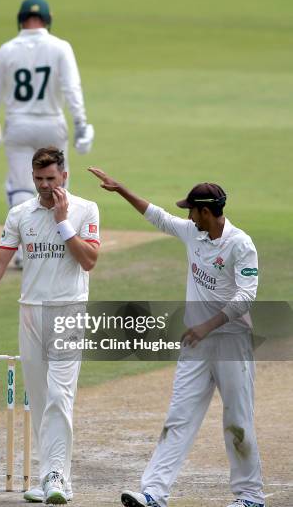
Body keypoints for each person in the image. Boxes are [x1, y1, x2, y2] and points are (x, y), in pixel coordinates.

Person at [88, 168, 265, 507]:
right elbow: (159, 217)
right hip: (196, 345)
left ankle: (251, 497)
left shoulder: (240, 244)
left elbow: (247, 296)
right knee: (178, 418)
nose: (188, 216)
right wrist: (122, 189)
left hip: (231, 343)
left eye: (192, 210)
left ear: (206, 212)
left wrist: (207, 325)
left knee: (237, 420)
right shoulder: (192, 233)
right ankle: (154, 492)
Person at [0, 148, 100, 504]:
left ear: (64, 177)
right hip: (31, 312)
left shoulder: (86, 209)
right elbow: (0, 260)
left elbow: (89, 261)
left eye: (51, 179)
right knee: (39, 400)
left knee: (59, 395)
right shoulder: (20, 213)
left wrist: (62, 220)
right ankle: (51, 477)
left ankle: (56, 476)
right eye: (38, 179)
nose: (44, 185)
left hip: (69, 309)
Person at [0, 0, 94, 268]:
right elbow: (72, 89)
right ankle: (60, 243)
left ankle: (22, 252)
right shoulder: (61, 47)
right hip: (52, 123)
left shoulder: (7, 50)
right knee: (57, 182)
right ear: (48, 20)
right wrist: (81, 124)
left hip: (18, 125)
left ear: (20, 19)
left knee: (19, 187)